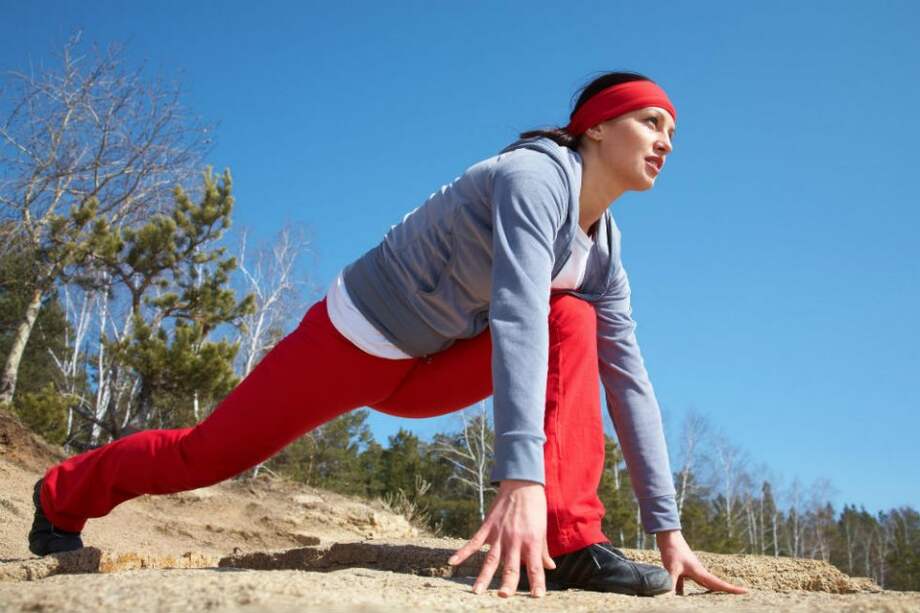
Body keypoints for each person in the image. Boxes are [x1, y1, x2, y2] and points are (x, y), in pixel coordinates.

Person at [29, 71, 747, 599]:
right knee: (204, 455)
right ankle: (60, 496)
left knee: (577, 318)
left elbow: (627, 381)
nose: (666, 142)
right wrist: (519, 476)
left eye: (673, 133)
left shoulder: (604, 253)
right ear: (596, 124)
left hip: (434, 367)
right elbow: (517, 312)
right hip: (352, 344)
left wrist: (668, 530)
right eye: (652, 123)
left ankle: (572, 540)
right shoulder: (535, 177)